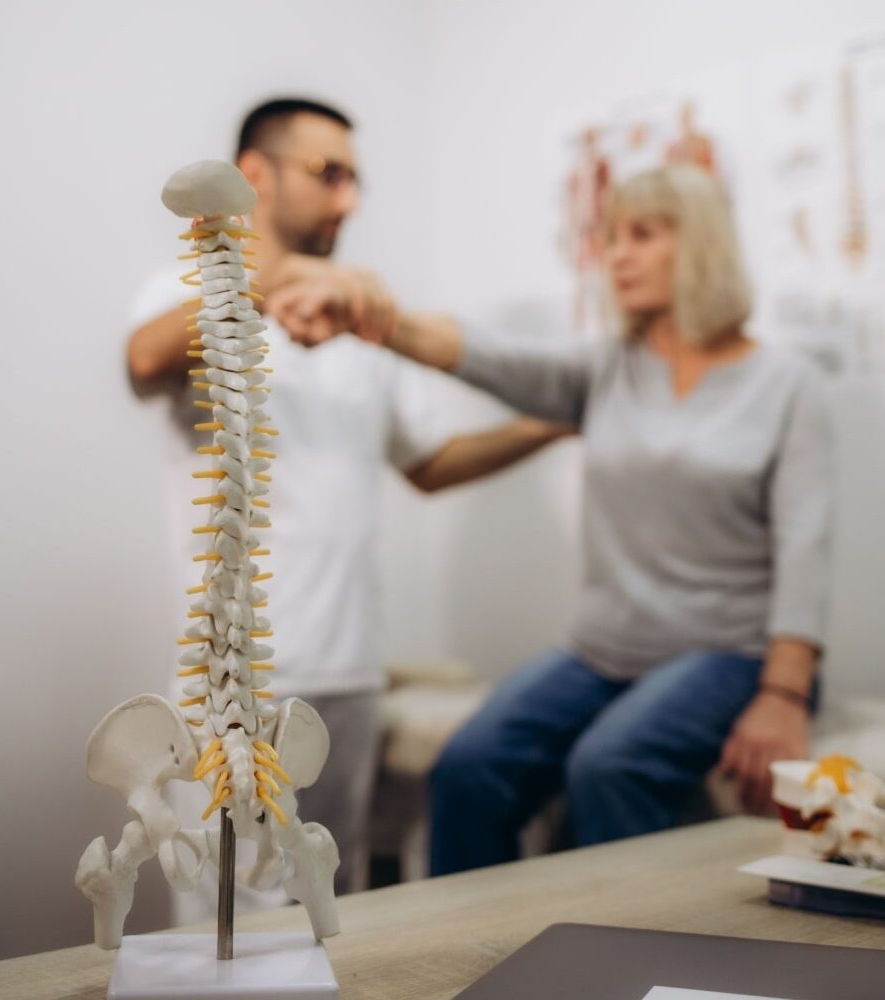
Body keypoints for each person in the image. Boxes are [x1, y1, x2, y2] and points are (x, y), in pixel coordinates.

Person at [267, 164, 834, 875]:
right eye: (610, 237)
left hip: (731, 653)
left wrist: (783, 693)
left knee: (609, 763)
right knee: (468, 769)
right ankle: (479, 961)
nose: (617, 254)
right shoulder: (607, 369)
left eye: (642, 235)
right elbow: (483, 355)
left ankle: (624, 972)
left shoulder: (788, 385)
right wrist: (366, 316)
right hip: (604, 651)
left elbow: (806, 543)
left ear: (703, 246)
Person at [126, 96, 570, 902]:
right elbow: (143, 356)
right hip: (238, 682)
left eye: (356, 180)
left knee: (328, 899)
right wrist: (276, 278)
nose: (349, 200)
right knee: (227, 911)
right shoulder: (183, 295)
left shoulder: (357, 322)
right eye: (328, 174)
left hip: (350, 670)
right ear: (254, 175)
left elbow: (430, 462)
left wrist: (555, 422)